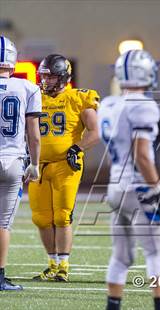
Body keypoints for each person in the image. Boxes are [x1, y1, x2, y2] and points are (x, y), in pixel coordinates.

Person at [98, 49, 160, 310]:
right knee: (156, 252)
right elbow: (142, 155)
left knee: (121, 256)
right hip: (138, 188)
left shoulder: (107, 104)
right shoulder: (144, 105)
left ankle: (113, 305)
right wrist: (158, 189)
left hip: (116, 187)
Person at [28, 54, 100, 282]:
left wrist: (76, 148)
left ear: (63, 78)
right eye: (44, 76)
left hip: (65, 164)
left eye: (50, 77)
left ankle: (63, 265)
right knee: (41, 218)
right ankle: (52, 263)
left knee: (61, 215)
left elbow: (95, 132)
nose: (45, 81)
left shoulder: (78, 98)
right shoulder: (35, 97)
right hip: (37, 165)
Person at [0, 35, 41, 290]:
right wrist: (34, 164)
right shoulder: (27, 88)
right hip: (13, 160)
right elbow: (34, 134)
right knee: (3, 223)